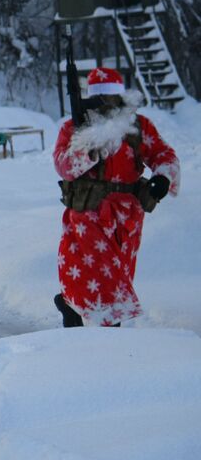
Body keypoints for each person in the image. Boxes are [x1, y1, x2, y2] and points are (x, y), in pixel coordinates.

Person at [53, 67, 180, 327]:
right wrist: (89, 149)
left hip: (129, 215)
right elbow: (63, 165)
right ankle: (110, 328)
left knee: (119, 271)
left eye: (113, 98)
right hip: (89, 211)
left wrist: (163, 177)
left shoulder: (138, 126)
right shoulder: (75, 127)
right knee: (101, 271)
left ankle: (71, 305)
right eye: (102, 99)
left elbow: (163, 154)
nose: (108, 105)